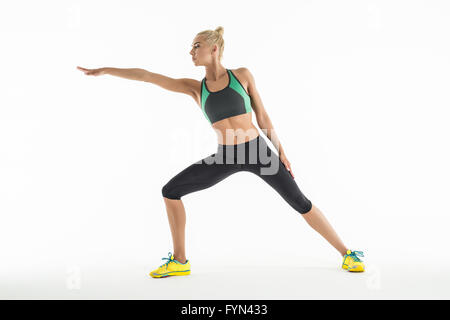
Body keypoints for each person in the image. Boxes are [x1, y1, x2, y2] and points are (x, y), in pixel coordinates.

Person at [77, 26, 365, 278]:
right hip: (225, 156)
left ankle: (346, 253)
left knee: (299, 201)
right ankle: (180, 262)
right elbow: (146, 76)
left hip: (257, 152)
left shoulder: (243, 76)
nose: (191, 51)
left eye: (196, 46)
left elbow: (263, 118)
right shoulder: (195, 88)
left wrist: (282, 153)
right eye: (191, 47)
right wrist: (104, 71)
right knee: (170, 190)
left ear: (214, 49)